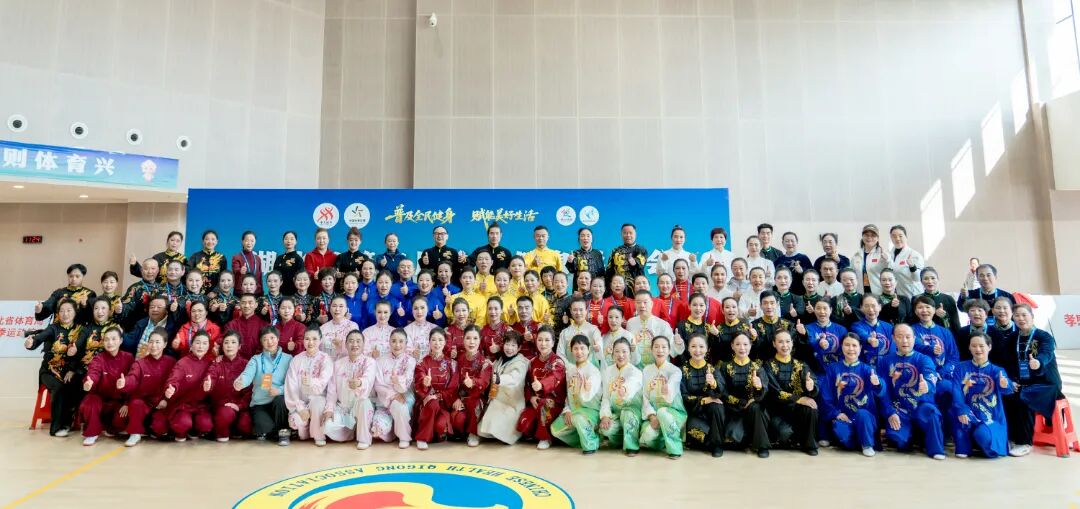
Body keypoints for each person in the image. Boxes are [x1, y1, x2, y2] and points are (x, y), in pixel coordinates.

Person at [999, 304, 1063, 457]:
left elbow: (1046, 353)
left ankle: (1024, 442)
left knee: (1024, 398)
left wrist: (1038, 362)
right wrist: (1011, 381)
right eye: (1017, 316)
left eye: (1024, 315)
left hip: (1046, 383)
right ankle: (1012, 437)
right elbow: (1008, 363)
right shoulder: (1011, 338)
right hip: (1023, 382)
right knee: (1006, 396)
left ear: (1032, 317)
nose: (1020, 319)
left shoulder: (1044, 336)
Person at [877, 324, 946, 459]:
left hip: (920, 405)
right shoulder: (885, 361)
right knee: (899, 441)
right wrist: (890, 412)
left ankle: (936, 450)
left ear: (914, 338)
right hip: (899, 409)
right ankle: (914, 436)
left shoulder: (924, 359)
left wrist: (927, 385)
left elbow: (930, 377)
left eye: (908, 337)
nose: (904, 341)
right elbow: (883, 391)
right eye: (900, 337)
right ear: (893, 338)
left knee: (931, 413)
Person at [950, 332, 1015, 458]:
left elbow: (1008, 389)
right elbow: (956, 391)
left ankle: (984, 440)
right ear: (969, 348)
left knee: (983, 436)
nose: (978, 349)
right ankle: (969, 444)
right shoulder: (960, 368)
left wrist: (1004, 384)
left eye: (981, 346)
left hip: (991, 417)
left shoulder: (997, 370)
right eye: (974, 346)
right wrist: (962, 410)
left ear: (989, 347)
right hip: (968, 413)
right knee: (959, 426)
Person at [24, 300, 84, 436]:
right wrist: (31, 343)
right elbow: (40, 337)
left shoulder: (81, 330)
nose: (65, 314)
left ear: (75, 312)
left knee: (76, 383)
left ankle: (67, 422)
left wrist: (72, 369)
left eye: (69, 310)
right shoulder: (53, 328)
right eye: (61, 311)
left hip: (68, 370)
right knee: (59, 387)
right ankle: (56, 428)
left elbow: (81, 352)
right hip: (49, 370)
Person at [820, 333, 884, 456]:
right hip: (843, 416)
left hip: (864, 418)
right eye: (847, 345)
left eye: (854, 345)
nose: (851, 349)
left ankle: (867, 444)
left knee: (863, 414)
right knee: (842, 433)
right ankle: (856, 442)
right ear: (841, 347)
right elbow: (825, 396)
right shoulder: (833, 369)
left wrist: (878, 383)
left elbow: (881, 389)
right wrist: (836, 413)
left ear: (860, 348)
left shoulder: (868, 369)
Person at [117, 327, 176, 447]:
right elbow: (133, 378)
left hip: (162, 404)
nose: (154, 345)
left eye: (157, 342)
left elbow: (175, 383)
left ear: (165, 344)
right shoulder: (140, 363)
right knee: (135, 404)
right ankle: (135, 433)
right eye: (151, 342)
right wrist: (124, 383)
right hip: (144, 403)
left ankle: (151, 428)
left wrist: (166, 400)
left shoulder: (172, 362)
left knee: (160, 428)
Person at [234, 327, 293, 445]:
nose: (269, 342)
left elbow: (292, 383)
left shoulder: (288, 358)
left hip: (278, 402)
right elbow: (247, 375)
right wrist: (240, 382)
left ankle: (283, 431)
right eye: (265, 339)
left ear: (278, 338)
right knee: (263, 427)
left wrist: (279, 390)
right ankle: (274, 430)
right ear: (261, 342)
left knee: (280, 400)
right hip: (260, 404)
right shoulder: (255, 359)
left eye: (272, 338)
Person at [764, 330, 819, 455]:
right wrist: (798, 399)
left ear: (792, 343)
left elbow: (813, 383)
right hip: (776, 410)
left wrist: (811, 387)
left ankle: (810, 445)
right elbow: (775, 391)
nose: (785, 345)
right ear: (774, 344)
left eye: (788, 341)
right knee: (784, 434)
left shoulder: (801, 364)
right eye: (780, 342)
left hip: (796, 409)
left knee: (811, 407)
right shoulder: (768, 365)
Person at [77, 326, 134, 446]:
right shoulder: (98, 358)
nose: (110, 343)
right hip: (100, 400)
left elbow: (133, 380)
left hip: (118, 401)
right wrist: (89, 383)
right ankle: (92, 433)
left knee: (121, 419)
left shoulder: (128, 358)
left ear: (121, 341)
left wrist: (127, 403)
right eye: (107, 339)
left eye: (113, 339)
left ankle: (109, 427)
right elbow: (93, 373)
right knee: (89, 402)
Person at [153, 330, 213, 441]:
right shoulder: (183, 362)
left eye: (205, 343)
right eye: (198, 342)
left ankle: (195, 429)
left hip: (200, 406)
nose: (201, 346)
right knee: (182, 424)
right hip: (183, 404)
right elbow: (174, 379)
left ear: (209, 346)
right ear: (192, 344)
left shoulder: (210, 363)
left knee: (206, 424)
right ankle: (180, 431)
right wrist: (171, 388)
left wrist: (209, 386)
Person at [323, 330, 377, 449]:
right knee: (327, 427)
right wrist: (329, 409)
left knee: (364, 402)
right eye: (351, 341)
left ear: (363, 344)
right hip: (343, 408)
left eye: (358, 341)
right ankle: (351, 431)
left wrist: (359, 383)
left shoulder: (370, 362)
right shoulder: (338, 364)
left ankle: (363, 438)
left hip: (360, 406)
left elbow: (368, 379)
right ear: (346, 345)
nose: (355, 344)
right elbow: (332, 390)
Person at [551, 334, 604, 454]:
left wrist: (587, 388)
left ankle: (592, 443)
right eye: (575, 348)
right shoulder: (570, 370)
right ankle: (583, 437)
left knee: (578, 418)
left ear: (588, 349)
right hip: (574, 410)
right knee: (555, 430)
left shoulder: (593, 371)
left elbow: (592, 391)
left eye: (582, 348)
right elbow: (567, 394)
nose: (579, 352)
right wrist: (567, 410)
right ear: (571, 350)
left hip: (591, 411)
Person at [284, 327, 335, 446]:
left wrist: (311, 381)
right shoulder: (297, 359)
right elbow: (290, 385)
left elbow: (323, 382)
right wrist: (300, 407)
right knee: (295, 422)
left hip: (318, 401)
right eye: (307, 339)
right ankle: (305, 430)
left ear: (320, 340)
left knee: (317, 402)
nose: (310, 342)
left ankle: (318, 435)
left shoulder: (325, 359)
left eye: (314, 339)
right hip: (301, 402)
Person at [517, 328, 566, 450]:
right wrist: (531, 397)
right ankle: (540, 431)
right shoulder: (532, 362)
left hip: (553, 403)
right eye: (540, 340)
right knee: (524, 425)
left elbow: (555, 378)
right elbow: (526, 384)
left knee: (544, 405)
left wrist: (541, 385)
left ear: (553, 343)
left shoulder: (558, 362)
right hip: (536, 402)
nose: (543, 344)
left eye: (547, 340)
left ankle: (545, 437)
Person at [478, 331, 530, 445]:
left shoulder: (521, 362)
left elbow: (514, 378)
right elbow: (495, 371)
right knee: (482, 430)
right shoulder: (500, 359)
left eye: (513, 345)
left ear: (519, 348)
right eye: (507, 344)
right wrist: (489, 365)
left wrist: (499, 379)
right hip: (498, 400)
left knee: (503, 433)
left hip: (512, 403)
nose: (509, 348)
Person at [639, 335, 686, 459]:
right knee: (647, 436)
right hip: (654, 415)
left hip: (673, 413)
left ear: (669, 350)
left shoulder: (675, 370)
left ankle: (675, 448)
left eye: (664, 347)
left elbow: (673, 383)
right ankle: (663, 440)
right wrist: (652, 416)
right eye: (656, 347)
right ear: (651, 349)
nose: (660, 350)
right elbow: (645, 396)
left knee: (663, 412)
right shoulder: (646, 370)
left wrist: (668, 387)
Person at [680, 333, 725, 457]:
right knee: (695, 432)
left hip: (711, 413)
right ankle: (712, 440)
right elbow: (683, 396)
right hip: (693, 411)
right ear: (688, 348)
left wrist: (714, 384)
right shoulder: (682, 370)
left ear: (707, 349)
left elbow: (722, 392)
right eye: (693, 346)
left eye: (701, 346)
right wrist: (705, 400)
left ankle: (717, 445)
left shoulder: (713, 369)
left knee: (717, 406)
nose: (697, 350)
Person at [413, 328, 458, 450]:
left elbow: (453, 388)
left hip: (443, 404)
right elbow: (419, 380)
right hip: (427, 403)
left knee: (440, 426)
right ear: (429, 342)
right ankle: (422, 438)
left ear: (445, 342)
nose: (437, 343)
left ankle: (433, 432)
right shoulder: (422, 363)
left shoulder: (452, 364)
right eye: (433, 340)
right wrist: (425, 383)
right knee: (432, 403)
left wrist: (438, 396)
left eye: (440, 340)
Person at [203, 331, 251, 443]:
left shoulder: (246, 364)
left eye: (233, 342)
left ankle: (235, 429)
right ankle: (221, 430)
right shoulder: (216, 363)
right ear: (222, 346)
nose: (229, 345)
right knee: (225, 414)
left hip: (240, 408)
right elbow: (210, 377)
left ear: (239, 346)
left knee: (245, 424)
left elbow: (250, 391)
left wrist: (239, 406)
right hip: (222, 409)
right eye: (226, 342)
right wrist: (208, 384)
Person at [599, 338, 644, 455]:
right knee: (606, 429)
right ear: (612, 354)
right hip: (616, 413)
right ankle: (619, 440)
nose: (621, 355)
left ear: (630, 354)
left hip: (632, 412)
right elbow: (605, 397)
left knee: (627, 413)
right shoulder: (607, 372)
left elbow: (632, 385)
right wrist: (605, 415)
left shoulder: (636, 372)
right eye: (617, 351)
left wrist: (624, 389)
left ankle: (632, 445)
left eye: (624, 351)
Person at [372, 328, 416, 448]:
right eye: (394, 341)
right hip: (385, 398)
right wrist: (393, 395)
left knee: (398, 406)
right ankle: (393, 431)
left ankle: (404, 437)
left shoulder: (411, 361)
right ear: (389, 342)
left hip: (404, 396)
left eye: (401, 341)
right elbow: (378, 384)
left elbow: (406, 384)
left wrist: (397, 382)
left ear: (406, 343)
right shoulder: (380, 361)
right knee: (378, 430)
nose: (397, 345)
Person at [451, 325, 492, 446]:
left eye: (475, 338)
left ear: (480, 340)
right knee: (458, 420)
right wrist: (456, 398)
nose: (471, 342)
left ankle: (474, 433)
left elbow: (484, 382)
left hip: (477, 399)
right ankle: (463, 432)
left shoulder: (485, 363)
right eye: (468, 338)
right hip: (462, 399)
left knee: (474, 403)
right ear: (463, 340)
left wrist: (473, 382)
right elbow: (453, 382)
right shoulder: (459, 360)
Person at [626, 291, 678, 366]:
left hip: (658, 368)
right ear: (635, 304)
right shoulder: (630, 323)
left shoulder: (663, 324)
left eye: (645, 302)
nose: (642, 305)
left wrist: (678, 344)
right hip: (637, 368)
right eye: (638, 302)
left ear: (651, 304)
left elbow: (673, 352)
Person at [799, 299, 846, 374]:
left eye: (825, 308)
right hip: (815, 371)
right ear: (814, 310)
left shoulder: (841, 329)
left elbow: (844, 352)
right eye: (818, 308)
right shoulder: (807, 329)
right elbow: (807, 350)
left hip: (837, 371)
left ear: (830, 310)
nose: (822, 311)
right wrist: (818, 343)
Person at [851, 294, 895, 367]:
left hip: (885, 367)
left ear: (880, 307)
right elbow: (862, 334)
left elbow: (892, 350)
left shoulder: (889, 327)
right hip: (865, 368)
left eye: (873, 306)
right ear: (861, 308)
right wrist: (869, 339)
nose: (870, 309)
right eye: (866, 306)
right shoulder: (856, 326)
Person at [750, 291, 796, 361]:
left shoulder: (788, 325)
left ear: (777, 304)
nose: (769, 306)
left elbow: (794, 346)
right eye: (765, 303)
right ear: (760, 306)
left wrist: (803, 334)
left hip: (783, 363)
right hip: (763, 364)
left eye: (772, 303)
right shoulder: (754, 325)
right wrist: (753, 338)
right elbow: (751, 350)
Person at [559, 297, 603, 366]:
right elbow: (560, 354)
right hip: (570, 370)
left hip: (590, 369)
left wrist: (598, 348)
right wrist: (570, 367)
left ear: (586, 311)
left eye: (581, 309)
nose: (578, 313)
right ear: (571, 311)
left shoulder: (593, 330)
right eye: (575, 310)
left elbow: (599, 353)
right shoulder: (564, 332)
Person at [120, 258, 160, 330]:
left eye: (153, 268)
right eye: (146, 269)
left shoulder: (162, 288)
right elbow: (126, 306)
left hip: (157, 327)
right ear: (141, 270)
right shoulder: (135, 288)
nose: (149, 271)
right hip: (138, 327)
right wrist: (120, 309)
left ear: (158, 270)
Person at [226, 293, 268, 360]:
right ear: (240, 305)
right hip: (235, 362)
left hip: (257, 362)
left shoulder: (264, 325)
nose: (247, 306)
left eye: (250, 303)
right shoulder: (231, 325)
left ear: (256, 305)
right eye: (243, 303)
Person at [850, 224, 889, 295]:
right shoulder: (856, 256)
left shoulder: (883, 254)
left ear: (878, 238)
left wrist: (887, 261)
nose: (869, 237)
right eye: (866, 235)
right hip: (861, 293)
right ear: (862, 237)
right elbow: (852, 274)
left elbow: (892, 272)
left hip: (878, 294)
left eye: (873, 235)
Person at [886, 225, 924, 297]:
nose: (897, 239)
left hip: (914, 295)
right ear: (891, 238)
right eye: (894, 236)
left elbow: (918, 278)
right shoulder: (889, 255)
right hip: (899, 295)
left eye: (900, 236)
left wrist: (912, 267)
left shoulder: (914, 255)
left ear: (906, 237)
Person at [920, 267, 960, 333]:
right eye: (926, 279)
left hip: (945, 335)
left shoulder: (948, 299)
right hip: (924, 334)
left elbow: (956, 323)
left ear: (938, 280)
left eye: (933, 278)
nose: (930, 281)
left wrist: (944, 316)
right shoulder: (917, 299)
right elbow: (914, 321)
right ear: (921, 281)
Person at [566, 227, 605, 293]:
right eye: (582, 236)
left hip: (594, 290)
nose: (585, 238)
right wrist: (570, 262)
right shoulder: (575, 254)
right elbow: (571, 270)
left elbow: (601, 273)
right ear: (579, 239)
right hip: (579, 290)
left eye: (588, 236)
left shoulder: (597, 253)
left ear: (592, 239)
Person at [714, 297, 751, 365]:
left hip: (742, 364)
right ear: (722, 310)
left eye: (734, 307)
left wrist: (754, 337)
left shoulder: (745, 326)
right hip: (723, 365)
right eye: (727, 307)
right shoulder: (718, 328)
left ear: (737, 309)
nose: (731, 310)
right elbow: (715, 350)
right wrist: (716, 336)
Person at [231, 231, 264, 296]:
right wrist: (240, 271)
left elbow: (260, 277)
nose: (249, 243)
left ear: (255, 242)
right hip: (241, 293)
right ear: (242, 241)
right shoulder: (236, 257)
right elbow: (235, 270)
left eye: (252, 241)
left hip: (256, 293)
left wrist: (261, 291)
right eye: (247, 240)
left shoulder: (257, 258)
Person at [272, 231, 305, 296]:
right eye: (286, 239)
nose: (289, 241)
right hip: (279, 293)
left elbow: (301, 278)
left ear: (296, 242)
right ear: (283, 241)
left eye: (292, 239)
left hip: (293, 294)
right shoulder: (279, 258)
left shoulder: (298, 259)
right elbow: (274, 276)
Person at [404, 296, 437, 360]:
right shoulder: (406, 330)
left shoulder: (435, 329)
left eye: (422, 308)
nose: (419, 311)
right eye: (415, 308)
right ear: (412, 311)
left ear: (427, 309)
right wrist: (412, 353)